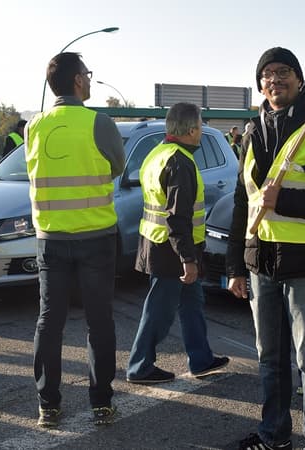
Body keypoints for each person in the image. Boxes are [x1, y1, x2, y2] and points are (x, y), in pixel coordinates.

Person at [226, 47, 305, 450]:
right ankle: (274, 436)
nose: (275, 79)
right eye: (268, 73)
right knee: (270, 361)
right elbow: (245, 201)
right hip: (262, 265)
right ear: (260, 84)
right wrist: (236, 266)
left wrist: (285, 202)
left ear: (300, 79)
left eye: (284, 72)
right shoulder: (253, 131)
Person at [26, 52, 124, 428]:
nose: (89, 79)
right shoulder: (98, 121)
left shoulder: (33, 126)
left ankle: (47, 405)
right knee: (99, 321)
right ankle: (101, 403)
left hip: (50, 237)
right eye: (88, 74)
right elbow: (117, 166)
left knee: (49, 320)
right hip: (95, 235)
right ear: (79, 81)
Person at [126, 102, 230, 385]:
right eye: (200, 126)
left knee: (192, 305)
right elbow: (177, 217)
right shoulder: (179, 161)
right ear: (192, 129)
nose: (201, 132)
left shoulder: (158, 153)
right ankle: (140, 366)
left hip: (161, 244)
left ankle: (201, 359)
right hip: (172, 251)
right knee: (159, 311)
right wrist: (188, 259)